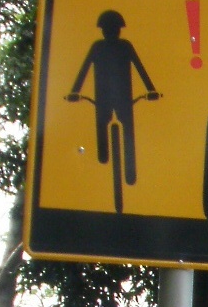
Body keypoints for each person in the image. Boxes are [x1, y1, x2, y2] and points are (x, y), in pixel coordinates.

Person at [67, 10, 159, 186]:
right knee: (108, 126)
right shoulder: (102, 47)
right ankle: (106, 163)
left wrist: (75, 91)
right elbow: (85, 68)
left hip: (115, 97)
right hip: (113, 97)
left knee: (123, 128)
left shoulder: (122, 46)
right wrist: (75, 90)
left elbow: (139, 67)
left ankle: (128, 172)